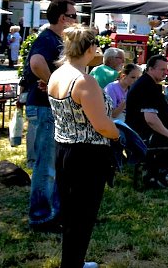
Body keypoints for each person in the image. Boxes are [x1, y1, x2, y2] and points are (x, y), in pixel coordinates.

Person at [47, 24, 119, 268]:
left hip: (64, 149)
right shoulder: (84, 81)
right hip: (87, 155)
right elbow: (101, 125)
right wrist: (120, 134)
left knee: (71, 214)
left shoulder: (56, 75)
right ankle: (73, 263)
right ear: (90, 48)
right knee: (83, 216)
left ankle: (73, 262)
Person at [22, 0, 76, 232]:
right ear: (63, 18)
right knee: (46, 165)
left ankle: (54, 213)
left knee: (53, 163)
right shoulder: (47, 38)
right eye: (74, 15)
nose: (76, 20)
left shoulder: (55, 39)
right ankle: (41, 217)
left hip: (48, 108)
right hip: (44, 108)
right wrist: (53, 83)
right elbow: (36, 63)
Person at [125, 54, 168, 187]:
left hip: (147, 131)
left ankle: (156, 174)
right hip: (145, 134)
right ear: (150, 69)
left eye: (166, 69)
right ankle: (156, 174)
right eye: (162, 69)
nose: (165, 72)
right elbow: (150, 119)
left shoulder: (147, 84)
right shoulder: (146, 87)